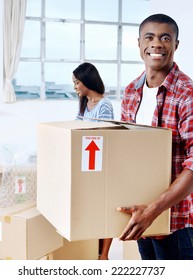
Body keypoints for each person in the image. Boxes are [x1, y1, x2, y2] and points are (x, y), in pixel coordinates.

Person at [117, 14, 193, 260]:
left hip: (174, 224)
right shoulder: (131, 91)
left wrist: (154, 210)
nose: (157, 44)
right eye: (149, 37)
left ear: (176, 45)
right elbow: (124, 150)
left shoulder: (190, 95)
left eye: (165, 38)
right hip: (142, 218)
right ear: (139, 43)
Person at [72, 62, 114, 260]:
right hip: (87, 163)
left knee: (103, 209)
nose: (75, 87)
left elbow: (104, 136)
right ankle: (91, 249)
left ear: (88, 81)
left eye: (77, 82)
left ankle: (104, 255)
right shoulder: (84, 104)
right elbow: (75, 129)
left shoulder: (104, 105)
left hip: (101, 165)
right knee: (91, 209)